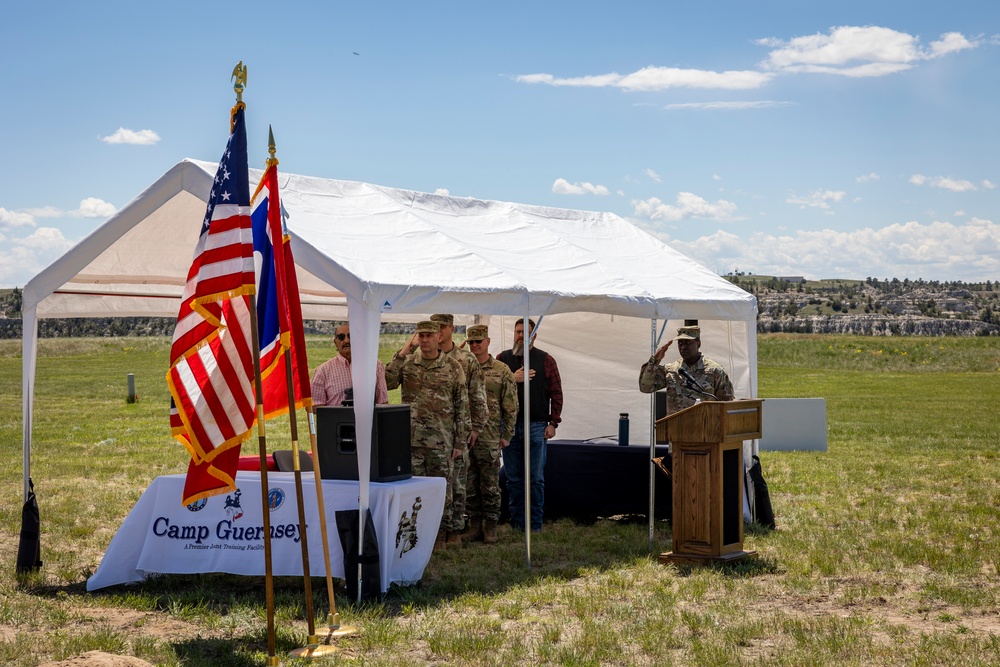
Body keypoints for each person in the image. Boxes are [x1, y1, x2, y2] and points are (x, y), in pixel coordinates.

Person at [385, 320, 470, 550]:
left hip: (441, 442)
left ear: (438, 338)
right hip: (412, 442)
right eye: (420, 336)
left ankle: (439, 535)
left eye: (429, 336)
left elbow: (462, 406)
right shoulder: (409, 363)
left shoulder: (453, 367)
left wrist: (459, 441)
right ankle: (417, 535)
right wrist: (403, 352)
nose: (424, 340)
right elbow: (387, 381)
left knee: (442, 491)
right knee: (415, 490)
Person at [497, 318, 563, 532]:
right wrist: (511, 379)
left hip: (536, 426)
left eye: (525, 332)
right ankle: (517, 523)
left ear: (534, 335)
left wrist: (553, 422)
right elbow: (490, 390)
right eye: (517, 332)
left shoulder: (546, 360)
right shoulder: (502, 360)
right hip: (509, 427)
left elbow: (556, 394)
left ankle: (534, 524)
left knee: (535, 479)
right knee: (514, 479)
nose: (520, 336)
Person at [430, 314, 489, 546]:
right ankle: (435, 530)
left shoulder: (466, 360)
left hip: (457, 432)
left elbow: (478, 395)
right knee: (434, 483)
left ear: (451, 329)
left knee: (458, 482)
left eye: (442, 327)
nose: (439, 332)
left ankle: (454, 530)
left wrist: (476, 427)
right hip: (431, 434)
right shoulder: (422, 357)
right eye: (435, 328)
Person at [462, 324, 517, 544]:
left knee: (490, 484)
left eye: (479, 341)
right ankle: (475, 525)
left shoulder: (502, 370)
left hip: (490, 436)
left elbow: (511, 405)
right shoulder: (461, 367)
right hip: (466, 436)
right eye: (471, 342)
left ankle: (491, 526)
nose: (475, 346)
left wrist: (508, 434)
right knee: (469, 483)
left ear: (488, 342)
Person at [638, 325, 735, 412]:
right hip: (676, 428)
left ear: (698, 344)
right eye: (680, 343)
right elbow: (645, 387)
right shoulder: (671, 370)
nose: (683, 347)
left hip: (705, 428)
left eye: (688, 343)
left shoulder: (715, 371)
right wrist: (654, 361)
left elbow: (727, 407)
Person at [311, 323, 388, 406]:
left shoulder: (375, 365)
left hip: (367, 419)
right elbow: (316, 406)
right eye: (341, 337)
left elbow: (383, 402)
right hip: (337, 418)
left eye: (351, 336)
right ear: (335, 342)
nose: (346, 341)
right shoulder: (322, 371)